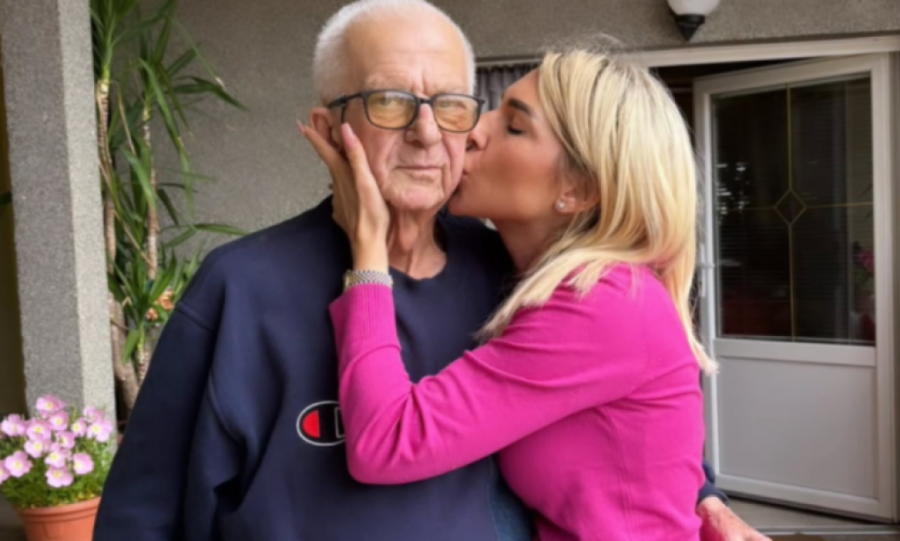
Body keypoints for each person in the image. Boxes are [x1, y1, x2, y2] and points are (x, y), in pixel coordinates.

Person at [93, 1, 767, 540]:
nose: (430, 133)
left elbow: (625, 424)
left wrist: (702, 496)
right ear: (328, 129)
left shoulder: (522, 279)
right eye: (390, 102)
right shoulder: (241, 286)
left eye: (451, 105)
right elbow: (144, 509)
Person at [305, 44, 710, 540]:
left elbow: (385, 442)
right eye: (491, 109)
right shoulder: (538, 277)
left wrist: (368, 244)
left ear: (579, 189)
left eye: (514, 126)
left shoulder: (605, 302)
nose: (473, 132)